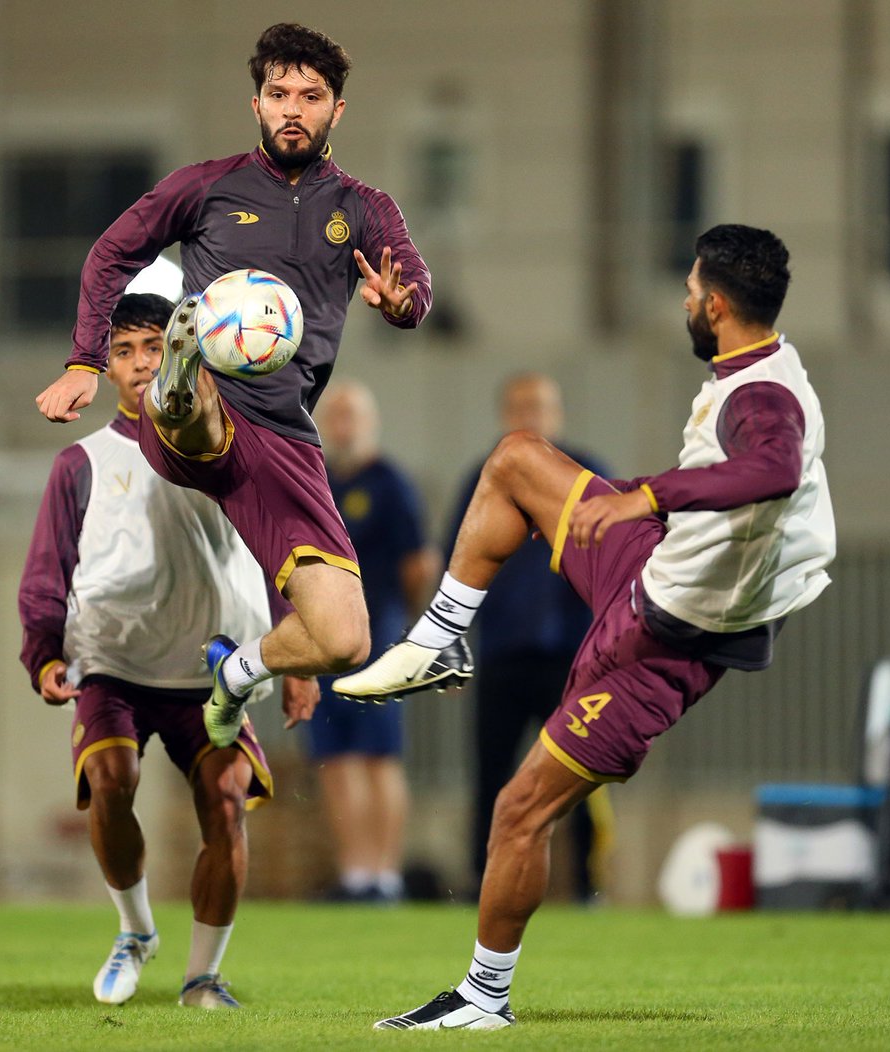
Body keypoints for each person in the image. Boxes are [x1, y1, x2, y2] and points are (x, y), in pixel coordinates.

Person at [335, 224, 836, 1029]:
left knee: (520, 809)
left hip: (667, 641)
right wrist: (647, 503)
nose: (684, 301)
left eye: (689, 290)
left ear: (714, 304)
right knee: (515, 459)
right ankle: (437, 641)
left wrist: (649, 495)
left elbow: (774, 468)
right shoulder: (758, 369)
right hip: (650, 567)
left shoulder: (762, 395)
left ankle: (484, 998)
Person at [33, 23, 434, 755]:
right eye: (279, 94)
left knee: (344, 640)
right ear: (257, 103)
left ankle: (236, 671)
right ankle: (184, 358)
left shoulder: (363, 207)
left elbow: (413, 283)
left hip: (284, 438)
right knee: (201, 409)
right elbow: (111, 253)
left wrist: (404, 302)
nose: (293, 109)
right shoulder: (205, 187)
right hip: (201, 412)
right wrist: (85, 362)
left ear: (337, 110)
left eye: (311, 96)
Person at [18, 293, 317, 1010]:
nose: (141, 363)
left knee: (226, 802)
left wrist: (300, 655)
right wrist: (43, 654)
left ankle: (202, 978)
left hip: (212, 669)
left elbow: (281, 551)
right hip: (112, 663)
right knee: (111, 782)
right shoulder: (80, 462)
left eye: (154, 346)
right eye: (123, 351)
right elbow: (46, 572)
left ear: (183, 351)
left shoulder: (229, 448)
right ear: (106, 367)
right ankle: (135, 929)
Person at [447, 373, 613, 903]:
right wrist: (450, 642)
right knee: (490, 774)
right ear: (505, 416)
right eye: (521, 406)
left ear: (558, 413)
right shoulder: (484, 481)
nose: (531, 416)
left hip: (573, 658)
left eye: (540, 406)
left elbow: (619, 558)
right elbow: (457, 565)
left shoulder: (587, 474)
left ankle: (587, 887)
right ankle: (481, 883)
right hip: (501, 656)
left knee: (582, 774)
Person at [309, 380, 438, 903]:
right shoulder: (318, 481)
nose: (345, 425)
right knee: (336, 757)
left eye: (353, 415)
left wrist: (405, 627)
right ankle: (355, 873)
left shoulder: (390, 483)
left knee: (378, 754)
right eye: (336, 415)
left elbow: (419, 563)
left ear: (371, 422)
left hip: (377, 634)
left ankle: (385, 874)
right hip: (321, 637)